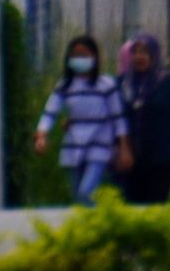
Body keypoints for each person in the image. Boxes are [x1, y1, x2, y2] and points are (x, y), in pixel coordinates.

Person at [32, 35, 127, 206]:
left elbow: (117, 117)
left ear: (94, 57)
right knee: (77, 197)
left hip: (99, 144)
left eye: (84, 55)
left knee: (85, 193)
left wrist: (123, 147)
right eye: (75, 55)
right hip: (74, 144)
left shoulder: (105, 84)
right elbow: (50, 112)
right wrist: (42, 135)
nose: (79, 60)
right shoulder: (65, 85)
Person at [115, 32, 170, 205]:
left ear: (154, 55)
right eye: (135, 52)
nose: (139, 57)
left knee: (156, 206)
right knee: (131, 208)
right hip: (129, 159)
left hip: (162, 158)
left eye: (144, 52)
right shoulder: (121, 84)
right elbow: (113, 118)